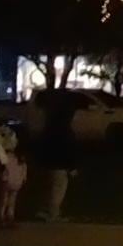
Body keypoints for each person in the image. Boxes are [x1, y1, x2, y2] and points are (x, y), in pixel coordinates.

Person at [36, 93, 80, 224]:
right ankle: (53, 214)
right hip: (60, 165)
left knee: (50, 188)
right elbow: (68, 150)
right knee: (58, 190)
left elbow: (43, 146)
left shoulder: (50, 129)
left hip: (49, 164)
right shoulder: (66, 131)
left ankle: (44, 211)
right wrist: (72, 167)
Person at [0, 124, 29, 226]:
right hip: (12, 180)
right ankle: (4, 216)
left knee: (8, 200)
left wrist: (23, 177)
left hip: (12, 180)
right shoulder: (9, 157)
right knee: (6, 200)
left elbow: (23, 168)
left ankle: (7, 216)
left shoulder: (15, 157)